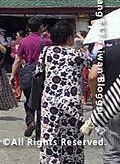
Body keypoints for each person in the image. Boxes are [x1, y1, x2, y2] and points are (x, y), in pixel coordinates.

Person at [36, 20, 91, 163]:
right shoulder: (78, 55)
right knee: (72, 140)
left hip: (50, 102)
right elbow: (92, 63)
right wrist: (83, 45)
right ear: (70, 37)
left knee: (51, 137)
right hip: (71, 103)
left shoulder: (46, 52)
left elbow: (38, 72)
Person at [10, 17, 52, 137]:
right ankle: (40, 131)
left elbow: (18, 60)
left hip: (28, 73)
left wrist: (12, 75)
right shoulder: (47, 42)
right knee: (41, 102)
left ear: (28, 28)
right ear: (41, 27)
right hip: (43, 73)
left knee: (29, 99)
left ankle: (30, 121)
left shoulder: (23, 42)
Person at [87, 38, 120, 163]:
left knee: (112, 151)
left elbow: (92, 76)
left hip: (112, 103)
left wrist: (95, 96)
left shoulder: (104, 52)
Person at [10, 30, 26, 101]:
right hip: (16, 64)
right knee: (15, 80)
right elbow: (12, 53)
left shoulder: (25, 44)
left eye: (18, 36)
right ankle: (16, 94)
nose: (16, 37)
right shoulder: (14, 45)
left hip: (23, 65)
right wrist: (13, 55)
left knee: (20, 81)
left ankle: (18, 95)